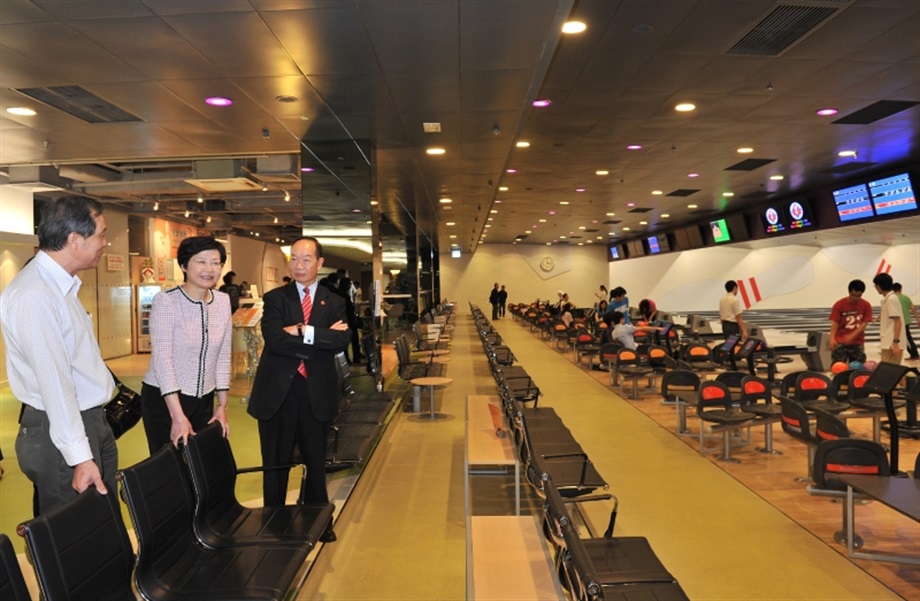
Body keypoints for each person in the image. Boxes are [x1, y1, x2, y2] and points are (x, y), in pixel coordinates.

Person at [0, 195, 116, 515]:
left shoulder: (60, 288)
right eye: (101, 234)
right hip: (61, 432)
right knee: (75, 534)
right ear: (75, 240)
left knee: (99, 524)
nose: (105, 243)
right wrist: (79, 456)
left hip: (84, 423)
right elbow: (55, 384)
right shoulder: (35, 295)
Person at [247, 237, 350, 540]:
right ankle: (274, 525)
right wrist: (319, 338)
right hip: (278, 394)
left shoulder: (334, 301)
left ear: (319, 263)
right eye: (294, 258)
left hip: (315, 392)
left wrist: (303, 330)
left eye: (306, 259)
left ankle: (319, 524)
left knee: (315, 463)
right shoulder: (277, 298)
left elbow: (340, 341)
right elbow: (275, 340)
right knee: (275, 465)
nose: (299, 265)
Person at [140, 236, 232, 454]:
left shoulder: (222, 301)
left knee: (202, 467)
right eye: (201, 261)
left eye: (215, 262)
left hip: (204, 399)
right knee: (171, 469)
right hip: (165, 400)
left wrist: (222, 405)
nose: (209, 269)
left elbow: (223, 355)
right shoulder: (167, 301)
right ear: (183, 265)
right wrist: (177, 416)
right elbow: (163, 360)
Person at [828, 279, 873, 365]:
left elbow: (864, 323)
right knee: (838, 366)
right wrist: (832, 339)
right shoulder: (839, 304)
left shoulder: (866, 305)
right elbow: (835, 323)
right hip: (840, 341)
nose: (855, 298)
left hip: (858, 342)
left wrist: (852, 335)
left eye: (858, 296)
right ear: (849, 292)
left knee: (858, 367)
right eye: (853, 295)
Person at [873, 273, 905, 365]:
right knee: (890, 373)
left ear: (878, 286)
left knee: (891, 374)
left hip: (891, 344)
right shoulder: (888, 299)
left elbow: (898, 322)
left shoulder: (891, 299)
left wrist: (895, 343)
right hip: (888, 342)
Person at [893, 282, 920, 360]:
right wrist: (918, 319)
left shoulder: (893, 298)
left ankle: (914, 355)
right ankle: (914, 354)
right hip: (906, 321)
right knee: (907, 338)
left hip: (899, 321)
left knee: (907, 339)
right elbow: (913, 309)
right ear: (900, 289)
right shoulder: (906, 298)